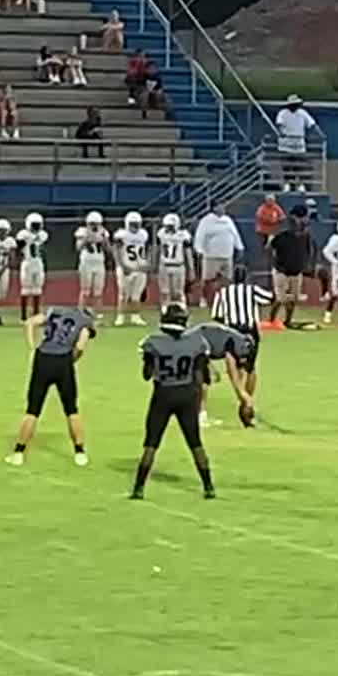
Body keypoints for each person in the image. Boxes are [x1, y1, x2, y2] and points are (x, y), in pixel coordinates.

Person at [131, 304, 216, 500]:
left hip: (163, 394)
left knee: (151, 443)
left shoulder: (153, 342)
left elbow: (147, 374)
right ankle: (208, 486)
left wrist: (150, 361)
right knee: (195, 442)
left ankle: (139, 488)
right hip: (187, 394)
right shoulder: (196, 342)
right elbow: (200, 375)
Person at [10, 305, 95, 467]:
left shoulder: (55, 311)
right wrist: (70, 361)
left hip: (43, 358)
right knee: (71, 409)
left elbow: (29, 323)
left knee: (32, 409)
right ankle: (80, 453)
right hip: (63, 360)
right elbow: (81, 345)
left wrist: (32, 348)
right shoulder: (84, 322)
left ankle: (18, 453)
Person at [267, 211, 312, 327]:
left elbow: (308, 251)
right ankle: (271, 319)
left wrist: (305, 264)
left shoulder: (305, 237)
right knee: (281, 298)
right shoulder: (281, 236)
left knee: (294, 298)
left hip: (296, 271)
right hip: (281, 270)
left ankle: (287, 320)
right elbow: (269, 248)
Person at [191, 203, 242, 306]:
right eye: (220, 206)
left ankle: (225, 299)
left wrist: (239, 247)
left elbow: (235, 234)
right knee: (207, 279)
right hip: (211, 256)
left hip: (227, 255)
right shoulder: (206, 221)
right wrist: (199, 250)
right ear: (214, 208)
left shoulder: (228, 220)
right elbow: (200, 236)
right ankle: (203, 298)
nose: (223, 208)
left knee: (226, 280)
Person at [272, 94, 322, 190]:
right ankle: (288, 184)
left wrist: (320, 134)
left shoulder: (303, 113)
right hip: (285, 146)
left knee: (300, 167)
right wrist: (281, 132)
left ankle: (300, 185)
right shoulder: (282, 113)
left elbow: (312, 124)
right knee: (287, 167)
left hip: (299, 146)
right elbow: (279, 125)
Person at [112, 211, 152, 327]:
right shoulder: (122, 235)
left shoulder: (143, 234)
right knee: (123, 294)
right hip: (126, 267)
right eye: (132, 224)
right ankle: (120, 317)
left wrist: (147, 263)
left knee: (136, 295)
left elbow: (148, 250)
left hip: (139, 267)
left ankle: (135, 316)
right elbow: (117, 251)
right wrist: (122, 265)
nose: (135, 227)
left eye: (136, 224)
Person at [74, 210, 111, 310]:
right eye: (92, 224)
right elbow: (78, 247)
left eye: (96, 224)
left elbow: (108, 249)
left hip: (99, 263)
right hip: (86, 263)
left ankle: (98, 314)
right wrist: (86, 238)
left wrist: (104, 240)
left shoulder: (103, 232)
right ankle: (81, 312)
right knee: (85, 291)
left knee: (98, 292)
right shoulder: (82, 231)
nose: (94, 226)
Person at [16, 212, 50, 321]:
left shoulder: (42, 235)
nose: (36, 227)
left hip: (38, 262)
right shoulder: (24, 235)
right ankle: (24, 316)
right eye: (34, 224)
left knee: (37, 289)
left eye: (38, 224)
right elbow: (19, 247)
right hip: (28, 262)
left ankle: (36, 313)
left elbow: (42, 247)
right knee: (25, 289)